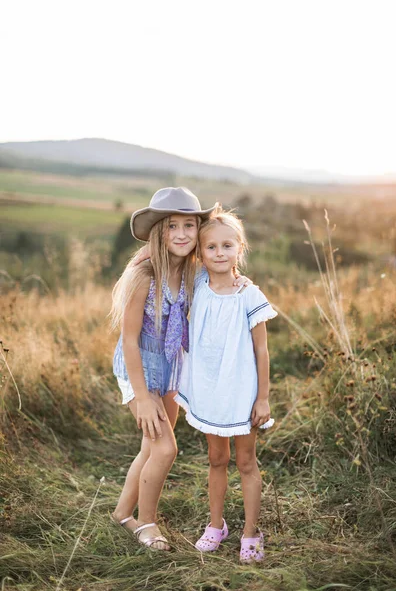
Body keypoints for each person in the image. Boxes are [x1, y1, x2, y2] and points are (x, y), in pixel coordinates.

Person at [109, 187, 246, 551]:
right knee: (165, 449)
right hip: (140, 368)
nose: (183, 233)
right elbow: (129, 339)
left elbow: (222, 267)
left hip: (171, 367)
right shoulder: (144, 277)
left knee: (150, 447)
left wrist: (240, 281)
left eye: (189, 225)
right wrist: (142, 395)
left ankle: (122, 513)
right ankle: (147, 525)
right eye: (172, 226)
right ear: (160, 231)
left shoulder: (190, 271)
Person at [175, 206, 277, 563]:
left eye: (227, 246)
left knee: (246, 462)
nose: (220, 253)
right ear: (200, 254)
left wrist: (262, 397)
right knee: (216, 458)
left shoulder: (249, 295)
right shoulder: (198, 283)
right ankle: (216, 524)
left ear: (240, 248)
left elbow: (261, 350)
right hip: (208, 389)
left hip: (241, 392)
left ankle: (251, 532)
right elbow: (164, 248)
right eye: (211, 247)